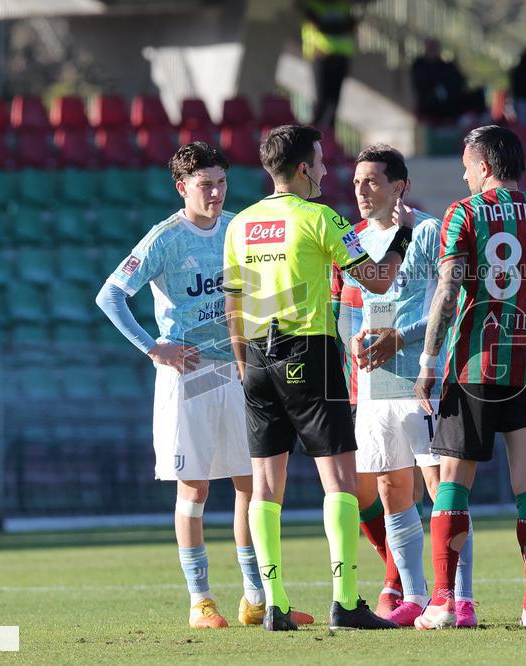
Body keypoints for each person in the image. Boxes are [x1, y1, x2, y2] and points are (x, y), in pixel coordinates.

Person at [94, 143, 314, 630]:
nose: (215, 193)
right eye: (204, 185)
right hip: (190, 375)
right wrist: (154, 348)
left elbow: (258, 292)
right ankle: (200, 600)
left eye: (221, 182)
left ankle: (256, 598)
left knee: (250, 483)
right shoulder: (165, 238)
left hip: (238, 369)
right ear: (182, 188)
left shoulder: (238, 228)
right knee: (193, 489)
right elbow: (110, 296)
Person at [222, 124, 412, 631]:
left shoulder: (241, 224)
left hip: (256, 358)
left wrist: (242, 364)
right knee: (341, 481)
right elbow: (379, 280)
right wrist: (404, 235)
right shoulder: (321, 217)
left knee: (266, 485)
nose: (327, 172)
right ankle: (345, 601)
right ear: (304, 168)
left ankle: (275, 604)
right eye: (322, 163)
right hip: (309, 350)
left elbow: (232, 302)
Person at [413, 125, 526, 630]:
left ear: (485, 167)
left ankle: (443, 601)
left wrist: (428, 361)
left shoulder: (464, 213)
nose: (464, 177)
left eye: (467, 167)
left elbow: (448, 289)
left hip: (474, 365)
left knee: (453, 483)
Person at [331, 144, 477, 627]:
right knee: (392, 486)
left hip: (423, 380)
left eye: (372, 181)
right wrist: (352, 342)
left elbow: (448, 302)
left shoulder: (429, 230)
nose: (362, 190)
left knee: (442, 487)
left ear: (401, 186)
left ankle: (460, 597)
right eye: (357, 181)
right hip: (374, 385)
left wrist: (403, 337)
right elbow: (347, 311)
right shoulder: (351, 240)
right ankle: (414, 594)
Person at [301, 0, 362, 128]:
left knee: (334, 101)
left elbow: (351, 26)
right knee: (321, 100)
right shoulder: (314, 5)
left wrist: (347, 25)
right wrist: (343, 27)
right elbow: (321, 26)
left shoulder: (342, 6)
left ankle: (329, 133)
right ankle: (312, 132)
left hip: (341, 56)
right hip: (321, 55)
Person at [411, 38, 483, 125]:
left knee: (478, 93)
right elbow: (424, 86)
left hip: (452, 99)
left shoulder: (445, 65)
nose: (433, 50)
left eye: (435, 48)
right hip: (432, 104)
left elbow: (460, 81)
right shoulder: (419, 65)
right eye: (431, 47)